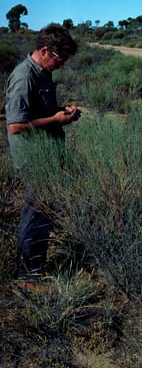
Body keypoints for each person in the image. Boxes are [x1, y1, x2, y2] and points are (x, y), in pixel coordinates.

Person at [5, 23, 80, 281]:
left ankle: (35, 269)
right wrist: (56, 121)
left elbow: (39, 112)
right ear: (45, 51)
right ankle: (26, 275)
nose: (62, 65)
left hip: (47, 153)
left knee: (44, 211)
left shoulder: (42, 73)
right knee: (36, 212)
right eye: (60, 59)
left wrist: (63, 112)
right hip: (33, 156)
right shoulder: (24, 76)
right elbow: (15, 126)